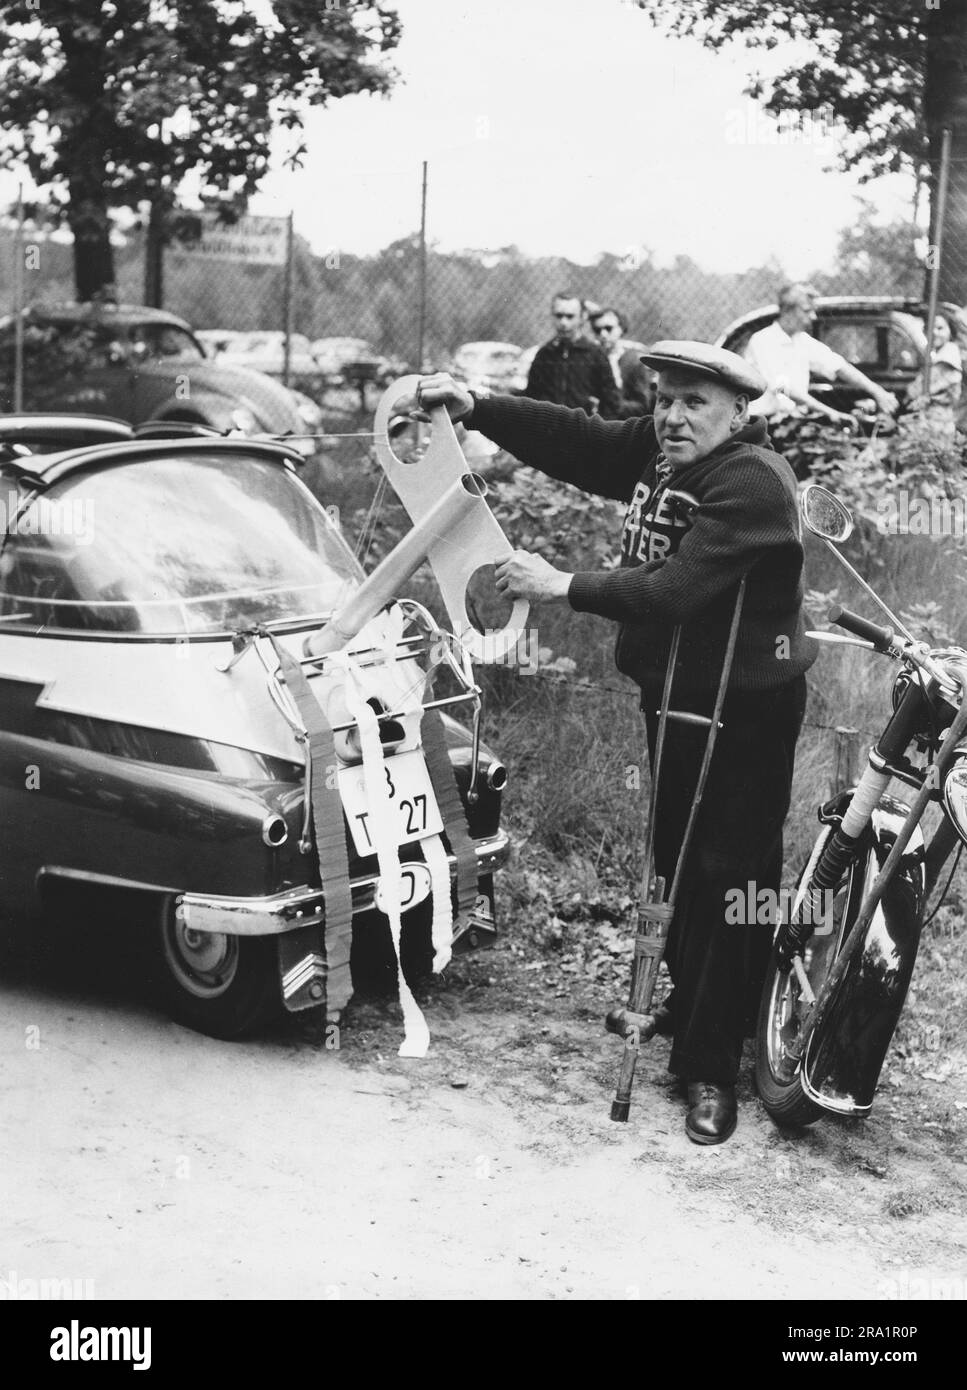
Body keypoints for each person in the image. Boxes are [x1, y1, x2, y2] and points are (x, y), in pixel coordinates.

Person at [409, 342, 816, 1145]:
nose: (670, 415)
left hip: (745, 705)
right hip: (672, 693)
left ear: (738, 411)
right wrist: (478, 405)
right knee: (673, 856)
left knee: (729, 872)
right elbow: (582, 439)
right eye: (664, 398)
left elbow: (670, 592)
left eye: (693, 401)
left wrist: (559, 583)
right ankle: (688, 1000)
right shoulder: (662, 451)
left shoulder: (750, 482)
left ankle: (711, 1062)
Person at [745, 283, 899, 424]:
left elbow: (839, 366)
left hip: (792, 421)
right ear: (786, 310)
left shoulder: (803, 341)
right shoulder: (763, 341)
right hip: (763, 423)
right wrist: (830, 413)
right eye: (806, 311)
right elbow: (781, 388)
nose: (813, 317)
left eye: (813, 311)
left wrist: (878, 392)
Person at [524, 291, 621, 417]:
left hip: (584, 431)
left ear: (582, 317)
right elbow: (531, 398)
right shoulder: (544, 354)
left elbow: (612, 403)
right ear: (552, 316)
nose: (564, 323)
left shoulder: (595, 354)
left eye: (570, 317)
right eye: (559, 316)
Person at [589, 306, 654, 417]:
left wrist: (612, 406)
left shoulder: (633, 361)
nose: (603, 335)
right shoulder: (591, 359)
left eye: (608, 328)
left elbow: (643, 405)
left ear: (621, 328)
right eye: (597, 330)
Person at [907, 313, 963, 413]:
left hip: (940, 417)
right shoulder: (937, 353)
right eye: (929, 328)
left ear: (951, 331)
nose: (934, 332)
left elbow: (919, 390)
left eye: (940, 328)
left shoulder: (949, 353)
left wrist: (911, 391)